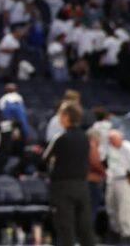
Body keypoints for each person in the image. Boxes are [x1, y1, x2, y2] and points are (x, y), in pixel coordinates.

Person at [43, 102, 95, 246]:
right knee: (85, 227)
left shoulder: (60, 138)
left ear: (66, 117)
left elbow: (44, 160)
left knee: (65, 228)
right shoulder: (86, 138)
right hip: (82, 185)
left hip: (62, 186)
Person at [108, 129, 130, 243]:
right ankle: (115, 233)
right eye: (110, 139)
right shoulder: (109, 147)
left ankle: (127, 237)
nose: (111, 141)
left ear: (120, 138)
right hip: (111, 180)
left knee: (124, 210)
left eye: (113, 139)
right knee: (111, 208)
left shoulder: (129, 148)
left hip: (124, 180)